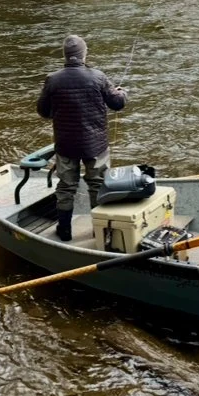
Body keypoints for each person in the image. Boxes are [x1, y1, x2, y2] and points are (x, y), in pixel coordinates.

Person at [36, 34, 127, 241]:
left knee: (66, 186)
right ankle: (98, 231)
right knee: (97, 184)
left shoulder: (53, 79)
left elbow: (43, 111)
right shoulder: (98, 76)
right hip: (95, 145)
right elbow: (117, 104)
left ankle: (65, 230)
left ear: (66, 55)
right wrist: (123, 93)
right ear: (84, 54)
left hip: (66, 145)